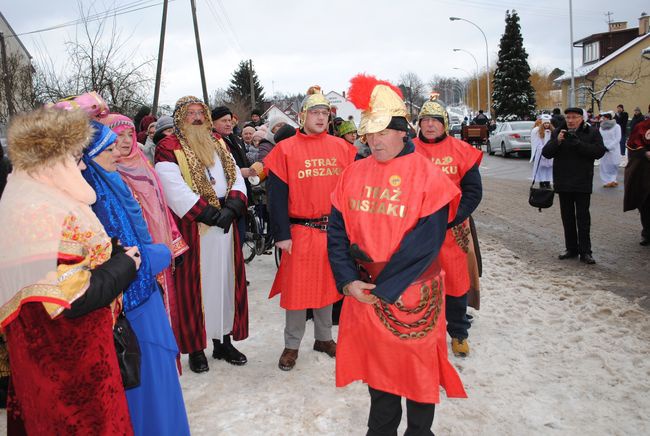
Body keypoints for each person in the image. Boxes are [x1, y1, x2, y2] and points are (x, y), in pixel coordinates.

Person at [328, 74, 466, 436]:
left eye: (382, 133)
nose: (374, 141)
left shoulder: (427, 174)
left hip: (413, 292)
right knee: (381, 373)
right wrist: (347, 281)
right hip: (364, 291)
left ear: (403, 131)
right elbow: (338, 232)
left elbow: (426, 241)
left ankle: (420, 432)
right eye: (369, 134)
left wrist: (383, 289)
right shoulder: (352, 174)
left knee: (418, 373)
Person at [0, 108, 136, 435]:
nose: (84, 165)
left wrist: (111, 251)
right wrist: (126, 264)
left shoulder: (31, 196)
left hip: (52, 362)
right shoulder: (39, 211)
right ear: (53, 161)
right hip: (71, 371)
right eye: (77, 158)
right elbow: (74, 296)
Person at [81, 120, 190, 435]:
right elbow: (116, 251)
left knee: (159, 384)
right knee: (148, 386)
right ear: (91, 154)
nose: (118, 151)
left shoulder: (109, 181)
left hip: (144, 296)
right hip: (131, 306)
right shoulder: (95, 193)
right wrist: (156, 255)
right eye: (109, 147)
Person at [264, 85, 356, 371]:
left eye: (324, 113)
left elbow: (351, 191)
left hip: (332, 230)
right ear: (302, 116)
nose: (320, 117)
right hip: (300, 231)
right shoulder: (285, 150)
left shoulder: (343, 148)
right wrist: (281, 234)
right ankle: (291, 344)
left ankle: (324, 338)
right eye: (314, 112)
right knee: (297, 291)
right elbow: (276, 195)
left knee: (328, 287)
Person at [155, 96, 249, 372]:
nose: (196, 117)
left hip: (225, 224)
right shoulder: (168, 147)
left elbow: (236, 177)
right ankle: (196, 348)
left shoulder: (218, 143)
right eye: (190, 113)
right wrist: (207, 213)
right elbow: (172, 188)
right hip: (195, 226)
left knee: (225, 282)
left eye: (200, 112)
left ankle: (223, 341)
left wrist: (232, 208)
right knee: (195, 287)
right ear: (180, 118)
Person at [100, 113, 189, 327]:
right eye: (119, 135)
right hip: (133, 255)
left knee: (167, 312)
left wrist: (174, 243)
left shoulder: (143, 163)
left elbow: (162, 204)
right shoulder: (106, 172)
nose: (127, 140)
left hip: (159, 245)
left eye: (130, 134)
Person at [413, 95, 483, 357]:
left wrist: (454, 217)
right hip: (418, 230)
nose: (429, 125)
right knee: (420, 282)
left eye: (435, 120)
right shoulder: (408, 150)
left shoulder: (461, 150)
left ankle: (458, 332)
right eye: (425, 120)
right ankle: (422, 330)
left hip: (453, 230)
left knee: (455, 282)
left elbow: (473, 192)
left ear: (444, 123)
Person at [542, 107, 606, 264]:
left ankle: (586, 251)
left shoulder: (591, 132)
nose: (570, 120)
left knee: (583, 217)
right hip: (563, 181)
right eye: (568, 117)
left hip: (582, 181)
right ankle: (571, 248)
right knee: (567, 216)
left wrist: (579, 144)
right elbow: (546, 152)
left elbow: (599, 151)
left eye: (574, 117)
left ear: (581, 118)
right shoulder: (559, 131)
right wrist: (557, 142)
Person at [624, 119, 650, 246]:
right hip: (645, 171)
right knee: (646, 203)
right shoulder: (642, 126)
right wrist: (645, 152)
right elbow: (633, 143)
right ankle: (647, 233)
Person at [599, 111, 622, 187]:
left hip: (614, 149)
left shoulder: (616, 126)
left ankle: (613, 180)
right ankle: (606, 181)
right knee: (604, 165)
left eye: (605, 117)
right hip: (604, 149)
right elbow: (600, 138)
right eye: (603, 117)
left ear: (609, 118)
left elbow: (618, 138)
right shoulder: (601, 128)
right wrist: (603, 147)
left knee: (613, 164)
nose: (603, 118)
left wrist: (610, 146)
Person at [530, 114, 554, 188]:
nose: (546, 125)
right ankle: (541, 182)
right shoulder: (538, 132)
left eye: (548, 123)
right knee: (541, 168)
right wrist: (542, 150)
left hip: (549, 153)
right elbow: (538, 143)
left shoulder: (552, 131)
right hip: (541, 153)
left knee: (549, 168)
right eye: (545, 123)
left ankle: (548, 181)